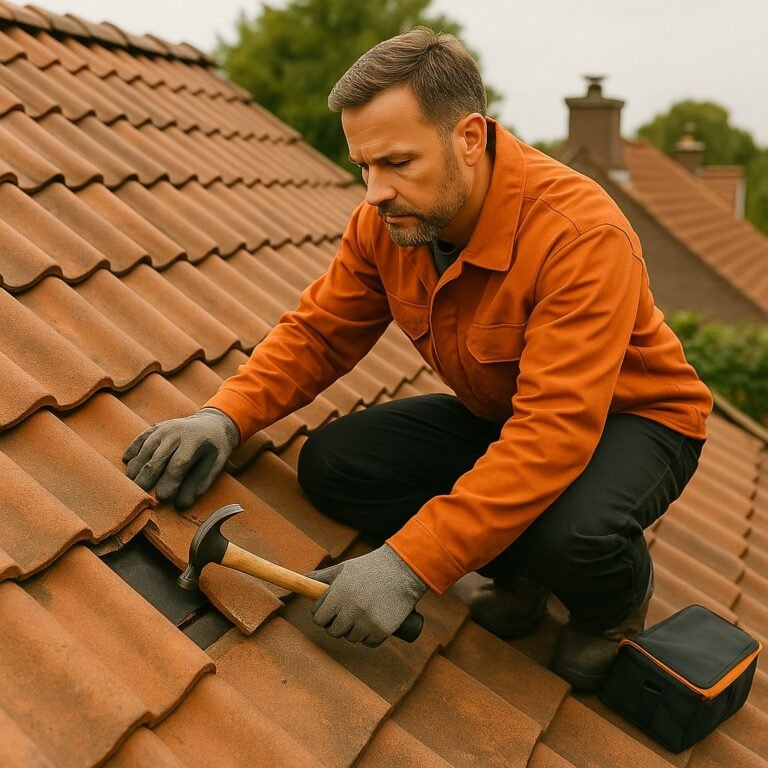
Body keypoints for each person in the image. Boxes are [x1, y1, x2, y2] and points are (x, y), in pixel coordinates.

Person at [123, 28, 712, 691]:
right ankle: (520, 568)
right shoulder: (389, 222)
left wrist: (409, 563)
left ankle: (610, 607)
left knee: (571, 537)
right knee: (333, 466)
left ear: (469, 137)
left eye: (397, 163)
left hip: (634, 420)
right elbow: (321, 332)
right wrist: (224, 416)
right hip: (509, 412)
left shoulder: (580, 236)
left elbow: (554, 434)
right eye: (363, 167)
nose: (375, 191)